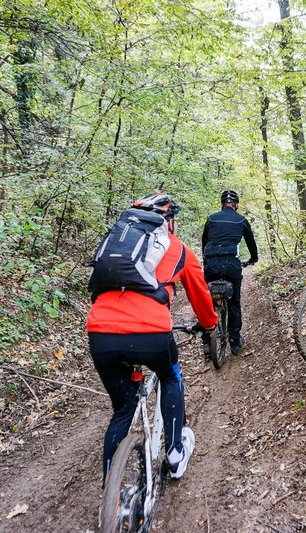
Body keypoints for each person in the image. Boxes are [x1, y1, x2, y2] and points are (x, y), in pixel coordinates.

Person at [87, 192, 217, 483]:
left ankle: (112, 489)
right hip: (151, 332)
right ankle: (174, 453)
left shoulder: (115, 248)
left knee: (122, 410)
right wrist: (208, 325)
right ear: (168, 222)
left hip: (100, 333)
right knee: (170, 377)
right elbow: (200, 296)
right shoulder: (178, 248)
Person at [200, 189, 259, 356]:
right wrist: (253, 258)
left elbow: (204, 241)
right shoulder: (241, 219)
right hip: (231, 263)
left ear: (221, 204)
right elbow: (251, 242)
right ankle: (234, 341)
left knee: (207, 301)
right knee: (234, 301)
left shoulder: (211, 218)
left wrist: (206, 259)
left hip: (211, 262)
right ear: (236, 205)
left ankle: (206, 341)